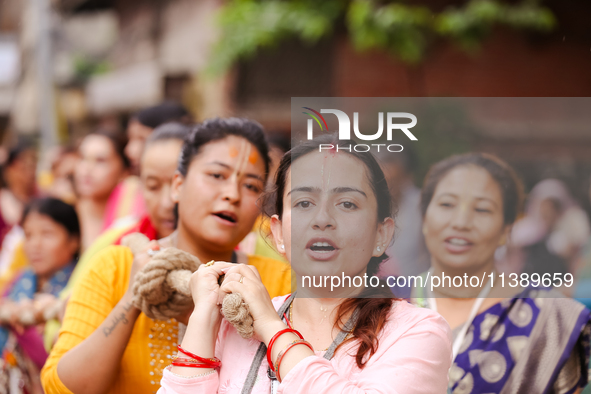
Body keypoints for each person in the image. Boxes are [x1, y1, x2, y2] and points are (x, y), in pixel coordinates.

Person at [158, 135, 452, 393]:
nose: (322, 219)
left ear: (381, 234)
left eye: (347, 203)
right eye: (303, 203)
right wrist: (204, 318)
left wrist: (272, 329)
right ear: (278, 233)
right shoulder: (237, 326)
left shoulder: (416, 332)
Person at [41, 118, 292, 394]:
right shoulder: (114, 266)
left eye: (251, 186)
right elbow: (61, 387)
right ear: (177, 184)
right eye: (217, 175)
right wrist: (133, 298)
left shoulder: (279, 282)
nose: (232, 194)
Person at [413, 153, 591, 393]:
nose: (461, 222)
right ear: (424, 218)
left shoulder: (552, 317)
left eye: (482, 209)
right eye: (447, 204)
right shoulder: (383, 304)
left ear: (506, 229)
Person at [0, 197, 80, 394]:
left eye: (47, 234)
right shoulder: (21, 279)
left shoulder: (78, 287)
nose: (35, 245)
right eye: (28, 235)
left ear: (73, 241)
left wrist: (21, 320)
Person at [375, 145, 430, 278]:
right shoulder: (366, 208)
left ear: (405, 179)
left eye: (392, 182)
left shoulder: (422, 206)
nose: (387, 189)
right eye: (382, 182)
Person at [74, 130, 131, 250]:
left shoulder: (131, 219)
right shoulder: (65, 214)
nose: (87, 169)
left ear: (124, 171)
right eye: (82, 158)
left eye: (100, 161)